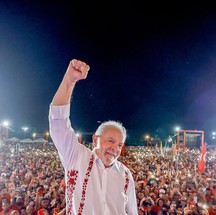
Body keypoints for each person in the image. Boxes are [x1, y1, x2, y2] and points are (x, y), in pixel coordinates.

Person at [49, 59, 138, 215]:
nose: (115, 148)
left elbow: (131, 212)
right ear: (95, 139)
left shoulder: (125, 175)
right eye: (110, 141)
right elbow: (58, 122)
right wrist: (70, 80)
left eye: (119, 144)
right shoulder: (76, 156)